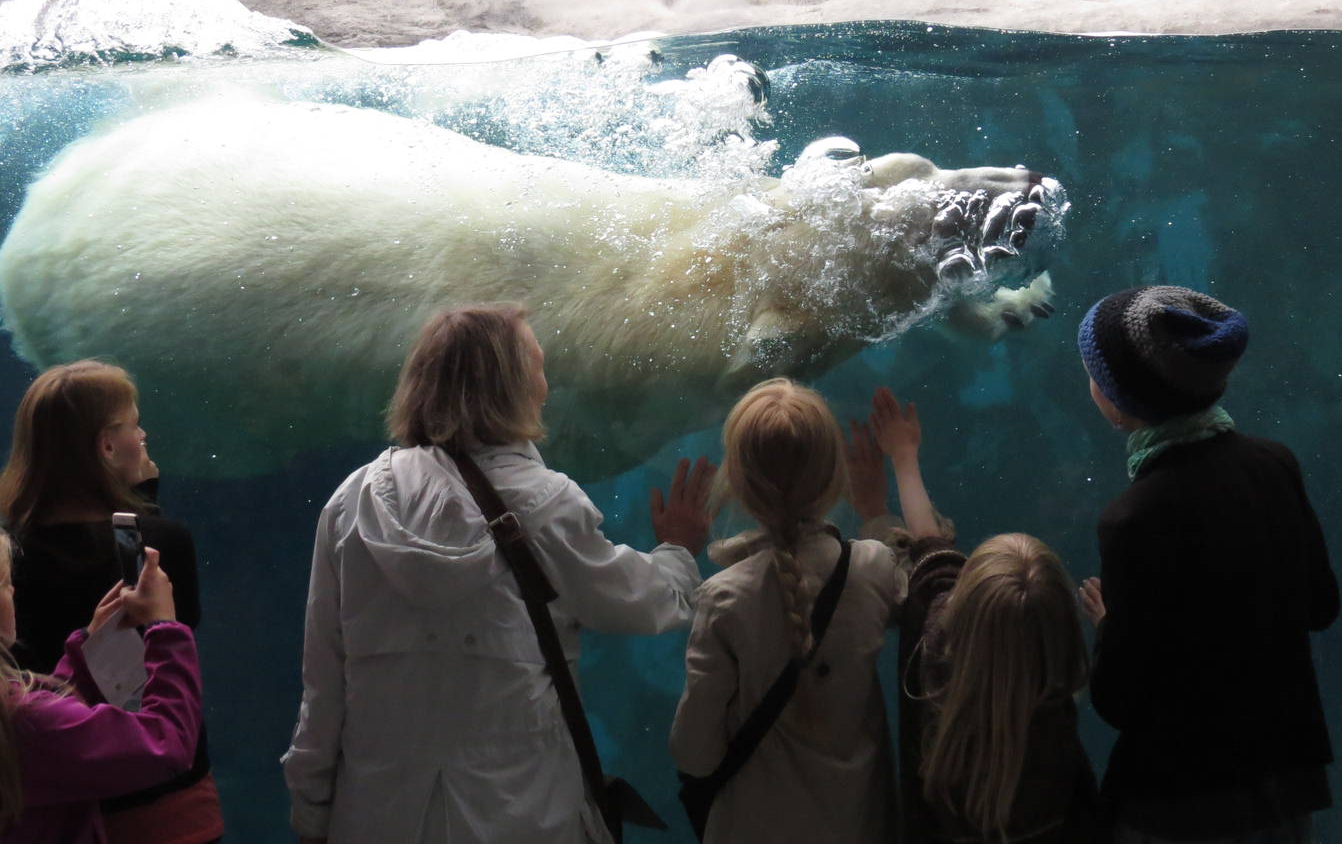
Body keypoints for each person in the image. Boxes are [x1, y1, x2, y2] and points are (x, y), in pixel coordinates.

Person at [283, 303, 713, 844]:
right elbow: (639, 602)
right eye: (537, 369)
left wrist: (311, 812)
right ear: (509, 388)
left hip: (378, 813)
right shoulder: (545, 502)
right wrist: (678, 549)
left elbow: (323, 681)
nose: (546, 387)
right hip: (523, 811)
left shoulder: (354, 501)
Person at [1076, 287, 1339, 844]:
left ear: (1120, 401)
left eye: (1095, 373)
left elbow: (1119, 701)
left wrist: (1108, 627)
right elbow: (1321, 605)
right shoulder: (1274, 464)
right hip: (1285, 782)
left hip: (1183, 800)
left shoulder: (1133, 518)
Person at [851, 388, 1102, 844]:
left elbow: (931, 552)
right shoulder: (1060, 685)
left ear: (960, 606)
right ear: (1066, 630)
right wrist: (1108, 628)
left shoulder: (933, 659)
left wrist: (898, 465)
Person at [0, 360, 223, 844]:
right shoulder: (164, 542)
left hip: (50, 799)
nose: (144, 434)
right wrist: (145, 501)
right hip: (161, 799)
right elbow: (174, 638)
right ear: (107, 446)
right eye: (134, 424)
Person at [670, 378, 905, 844]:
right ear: (836, 476)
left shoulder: (723, 599)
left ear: (736, 483)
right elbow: (929, 574)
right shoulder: (875, 567)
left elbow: (694, 754)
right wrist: (877, 511)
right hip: (863, 824)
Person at [0, 513, 203, 844]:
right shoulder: (29, 723)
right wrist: (165, 629)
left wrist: (91, 649)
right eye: (4, 583)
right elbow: (166, 744)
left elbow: (51, 723)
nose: (14, 590)